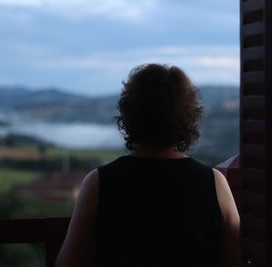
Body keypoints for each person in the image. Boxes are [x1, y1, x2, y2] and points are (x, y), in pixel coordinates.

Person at [55, 64, 241, 267]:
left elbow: (68, 263)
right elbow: (234, 260)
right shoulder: (215, 183)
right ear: (188, 118)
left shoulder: (98, 182)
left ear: (129, 115)